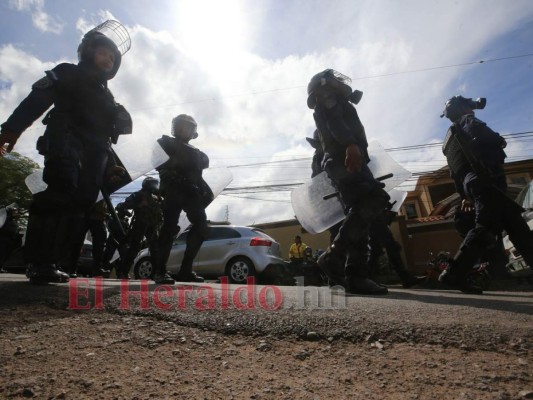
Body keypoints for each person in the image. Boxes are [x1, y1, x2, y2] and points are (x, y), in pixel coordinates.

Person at [0, 20, 132, 284]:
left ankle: (52, 262)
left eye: (112, 56)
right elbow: (37, 99)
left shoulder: (108, 97)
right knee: (58, 193)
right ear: (88, 51)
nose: (108, 58)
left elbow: (104, 137)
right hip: (65, 141)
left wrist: (111, 166)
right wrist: (11, 129)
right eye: (103, 52)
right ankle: (38, 262)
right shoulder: (67, 72)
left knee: (80, 204)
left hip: (95, 155)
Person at [306, 69, 389, 295]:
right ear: (323, 85)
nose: (340, 82)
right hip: (344, 157)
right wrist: (351, 145)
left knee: (358, 218)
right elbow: (335, 123)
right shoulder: (327, 97)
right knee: (375, 198)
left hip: (343, 158)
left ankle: (356, 276)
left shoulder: (335, 100)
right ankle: (334, 258)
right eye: (335, 79)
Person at [439, 95, 533, 293]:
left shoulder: (450, 139)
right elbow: (484, 136)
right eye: (468, 105)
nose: (472, 108)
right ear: (463, 108)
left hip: (475, 184)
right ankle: (454, 273)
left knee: (517, 228)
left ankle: (455, 273)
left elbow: (455, 173)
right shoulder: (468, 121)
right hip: (485, 181)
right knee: (484, 229)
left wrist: (464, 196)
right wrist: (498, 139)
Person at [156, 114, 213, 283]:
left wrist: (204, 189)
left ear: (193, 131)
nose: (185, 130)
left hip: (191, 192)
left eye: (189, 127)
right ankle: (159, 271)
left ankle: (185, 270)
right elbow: (158, 163)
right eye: (182, 126)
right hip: (173, 189)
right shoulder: (165, 143)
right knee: (168, 228)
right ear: (175, 127)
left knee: (201, 226)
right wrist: (168, 175)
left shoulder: (198, 153)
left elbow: (198, 175)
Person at [116, 177, 170, 283]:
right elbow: (125, 205)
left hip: (153, 226)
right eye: (153, 184)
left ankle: (158, 273)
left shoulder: (156, 197)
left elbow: (161, 210)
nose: (154, 186)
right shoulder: (138, 195)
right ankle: (123, 271)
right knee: (134, 248)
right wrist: (138, 205)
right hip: (140, 223)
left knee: (155, 249)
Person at [368, 209, 426, 288]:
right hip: (371, 218)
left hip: (377, 218)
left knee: (383, 247)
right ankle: (367, 278)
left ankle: (368, 278)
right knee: (380, 248)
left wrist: (388, 210)